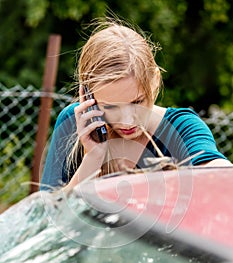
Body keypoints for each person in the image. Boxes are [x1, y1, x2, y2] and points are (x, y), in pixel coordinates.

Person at [40, 19, 232, 192]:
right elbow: (47, 218)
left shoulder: (182, 128)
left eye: (137, 102)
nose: (127, 121)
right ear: (87, 96)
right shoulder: (74, 123)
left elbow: (219, 174)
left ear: (155, 81)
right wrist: (93, 157)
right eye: (111, 107)